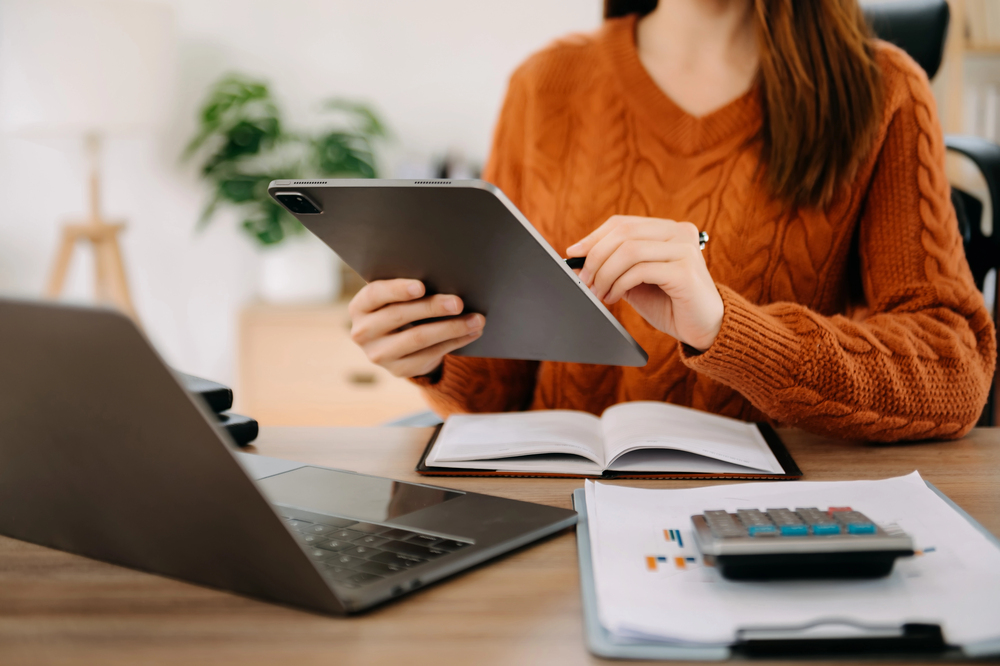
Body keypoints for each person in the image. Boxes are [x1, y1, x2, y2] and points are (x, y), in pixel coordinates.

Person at [347, 0, 996, 442]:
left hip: (758, 518)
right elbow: (499, 395)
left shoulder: (882, 89)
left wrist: (728, 329)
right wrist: (432, 352)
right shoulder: (545, 85)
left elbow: (954, 370)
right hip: (554, 516)